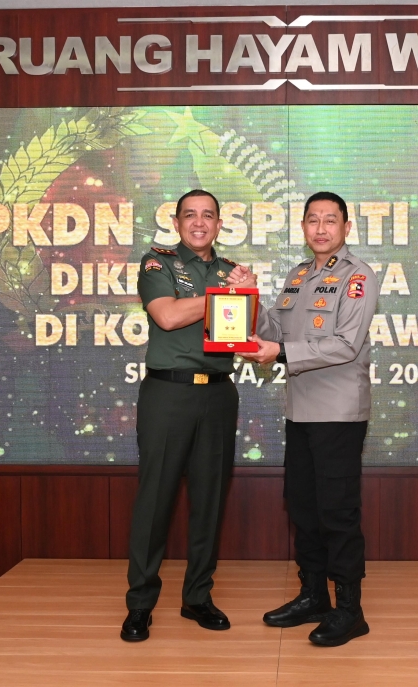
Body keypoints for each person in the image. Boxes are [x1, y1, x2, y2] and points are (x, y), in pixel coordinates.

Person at [239, 191, 380, 647]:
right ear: (303, 227)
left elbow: (345, 344)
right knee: (303, 506)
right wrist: (250, 296)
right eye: (313, 220)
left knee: (337, 511)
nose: (321, 228)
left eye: (330, 220)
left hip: (338, 412)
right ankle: (314, 596)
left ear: (346, 227)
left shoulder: (357, 276)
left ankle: (350, 611)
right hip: (300, 409)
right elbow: (274, 332)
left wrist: (279, 351)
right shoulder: (298, 275)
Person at [121, 190, 254, 642]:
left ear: (219, 224)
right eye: (190, 215)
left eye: (208, 216)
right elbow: (168, 315)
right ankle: (140, 605)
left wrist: (246, 293)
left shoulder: (229, 270)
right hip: (168, 394)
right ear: (176, 223)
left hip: (218, 395)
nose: (199, 223)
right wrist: (227, 294)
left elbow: (240, 331)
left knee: (209, 502)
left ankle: (197, 596)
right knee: (154, 502)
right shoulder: (157, 263)